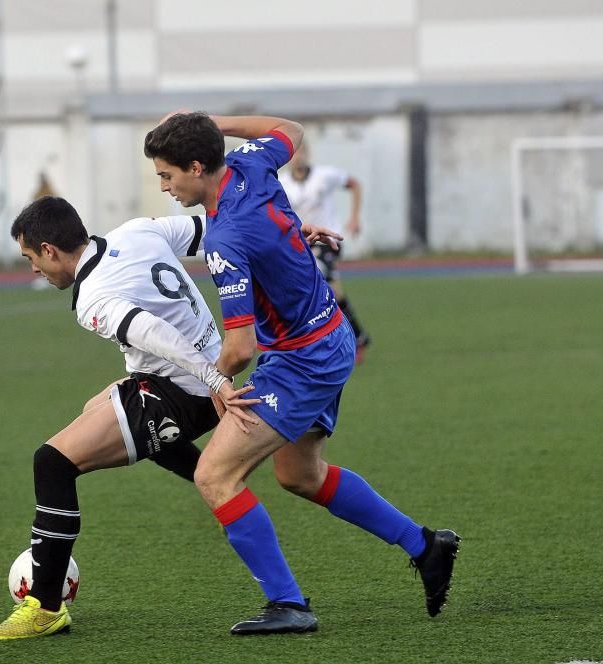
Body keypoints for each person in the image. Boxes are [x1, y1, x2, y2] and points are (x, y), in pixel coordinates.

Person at [143, 112, 459, 635]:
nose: (165, 186)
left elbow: (240, 348)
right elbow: (290, 127)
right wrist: (213, 123)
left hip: (303, 358)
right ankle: (425, 546)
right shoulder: (250, 161)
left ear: (197, 167)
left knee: (215, 475)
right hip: (327, 336)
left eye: (167, 175)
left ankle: (288, 604)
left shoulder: (224, 239)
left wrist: (216, 381)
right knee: (299, 474)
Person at [0, 196, 260, 641]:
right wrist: (288, 235)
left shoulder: (93, 297)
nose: (34, 270)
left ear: (49, 250)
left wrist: (216, 380)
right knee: (97, 409)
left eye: (31, 258)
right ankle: (214, 482)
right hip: (181, 376)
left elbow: (154, 332)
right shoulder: (137, 231)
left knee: (52, 462)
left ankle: (45, 607)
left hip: (184, 391)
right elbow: (216, 225)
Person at [280, 143, 371, 363]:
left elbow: (354, 184)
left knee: (321, 281)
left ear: (307, 154)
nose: (297, 157)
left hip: (328, 240)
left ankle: (331, 340)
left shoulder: (325, 175)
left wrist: (354, 217)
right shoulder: (281, 182)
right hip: (301, 242)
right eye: (293, 154)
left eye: (301, 152)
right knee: (329, 292)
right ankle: (355, 336)